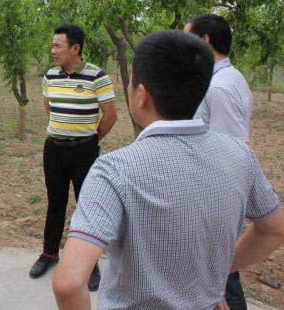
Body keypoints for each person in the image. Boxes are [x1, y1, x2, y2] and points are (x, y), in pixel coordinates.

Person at [52, 30, 284, 310]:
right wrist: (215, 275)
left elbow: (68, 283)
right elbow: (274, 230)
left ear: (141, 95)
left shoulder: (113, 170)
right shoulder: (241, 157)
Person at [30, 24, 117, 291]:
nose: (53, 50)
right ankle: (49, 253)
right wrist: (64, 131)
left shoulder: (97, 77)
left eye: (58, 46)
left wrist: (89, 141)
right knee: (55, 203)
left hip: (85, 151)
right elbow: (50, 108)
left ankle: (90, 264)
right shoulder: (50, 76)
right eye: (52, 45)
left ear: (75, 48)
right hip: (54, 149)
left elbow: (110, 116)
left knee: (86, 206)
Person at [185, 14, 253, 309]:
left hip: (215, 198)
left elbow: (228, 153)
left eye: (187, 38)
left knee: (223, 280)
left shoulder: (219, 88)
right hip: (217, 196)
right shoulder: (229, 78)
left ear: (204, 41)